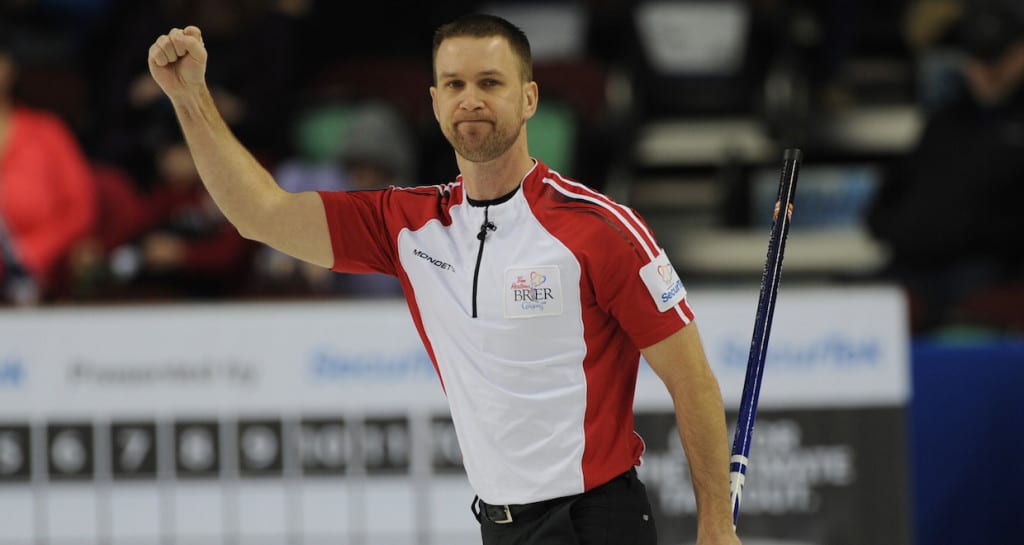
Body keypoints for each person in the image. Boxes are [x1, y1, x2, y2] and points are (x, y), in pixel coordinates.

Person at [147, 14, 740, 545]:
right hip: (497, 524)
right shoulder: (407, 223)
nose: (471, 99)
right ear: (434, 103)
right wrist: (191, 99)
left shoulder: (599, 228)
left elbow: (692, 382)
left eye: (490, 82)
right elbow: (262, 215)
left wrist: (716, 526)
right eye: (454, 85)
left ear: (529, 97)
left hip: (594, 522)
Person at [868, 0, 1024, 334]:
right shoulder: (945, 121)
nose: (986, 70)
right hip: (917, 265)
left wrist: (968, 233)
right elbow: (892, 194)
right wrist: (901, 229)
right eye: (978, 58)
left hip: (991, 269)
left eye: (997, 57)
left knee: (973, 302)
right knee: (857, 299)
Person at [0, 30, 97, 305]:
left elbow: (80, 209)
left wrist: (33, 252)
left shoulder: (47, 132)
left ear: (8, 68)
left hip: (45, 279)